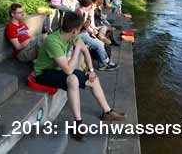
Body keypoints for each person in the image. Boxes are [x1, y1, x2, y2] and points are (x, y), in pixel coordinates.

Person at [32, 11, 125, 141]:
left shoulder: (73, 36)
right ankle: (78, 123)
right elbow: (69, 70)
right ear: (75, 31)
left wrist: (91, 69)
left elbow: (86, 52)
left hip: (59, 70)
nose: (81, 31)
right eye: (80, 29)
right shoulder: (53, 41)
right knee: (73, 79)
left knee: (93, 79)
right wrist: (77, 49)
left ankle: (107, 112)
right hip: (43, 73)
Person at [76, 0, 118, 70]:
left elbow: (85, 27)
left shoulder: (82, 12)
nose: (91, 7)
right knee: (99, 44)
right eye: (91, 6)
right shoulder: (79, 13)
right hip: (79, 35)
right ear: (88, 6)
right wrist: (89, 17)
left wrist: (91, 32)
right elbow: (84, 26)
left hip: (84, 33)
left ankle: (103, 64)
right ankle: (105, 63)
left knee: (100, 44)